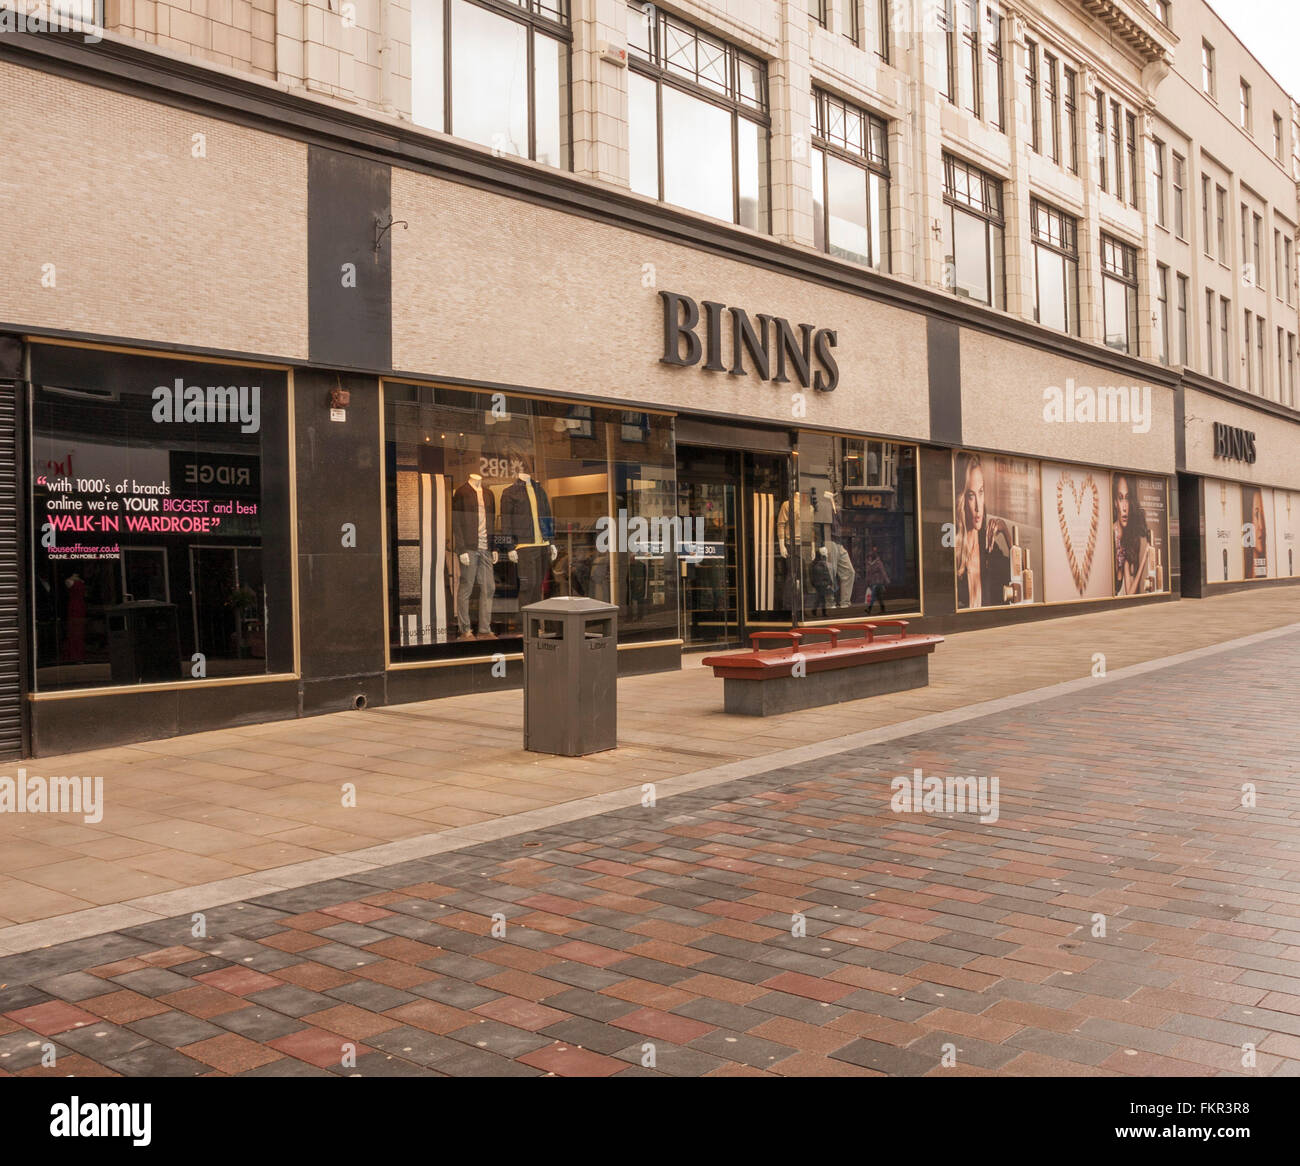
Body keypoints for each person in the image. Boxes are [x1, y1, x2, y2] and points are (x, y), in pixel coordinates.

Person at [954, 452, 1013, 608]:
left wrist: (1005, 532)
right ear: (962, 499)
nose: (978, 507)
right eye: (971, 496)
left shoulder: (987, 543)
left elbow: (1017, 575)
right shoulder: (955, 549)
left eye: (981, 492)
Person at [1113, 474, 1152, 595]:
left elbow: (1129, 594)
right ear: (1115, 502)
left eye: (1127, 498)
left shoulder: (1126, 542)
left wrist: (1145, 558)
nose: (1124, 507)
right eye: (1120, 498)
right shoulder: (1108, 535)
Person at [864, 544, 890, 614]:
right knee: (879, 597)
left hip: (878, 582)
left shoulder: (878, 563)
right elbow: (868, 574)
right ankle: (883, 608)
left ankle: (869, 609)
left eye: (870, 557)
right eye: (868, 557)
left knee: (873, 595)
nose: (869, 558)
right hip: (873, 582)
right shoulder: (869, 564)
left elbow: (883, 571)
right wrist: (867, 582)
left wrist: (886, 580)